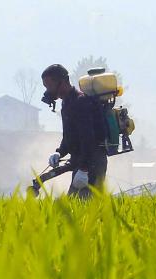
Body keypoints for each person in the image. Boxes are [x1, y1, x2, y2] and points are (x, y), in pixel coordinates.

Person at [41, 64, 107, 199]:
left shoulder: (80, 102)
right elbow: (70, 137)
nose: (48, 91)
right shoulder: (66, 104)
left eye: (49, 86)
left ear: (62, 82)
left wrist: (84, 170)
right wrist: (59, 152)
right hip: (81, 162)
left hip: (92, 163)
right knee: (73, 209)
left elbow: (88, 139)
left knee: (80, 209)